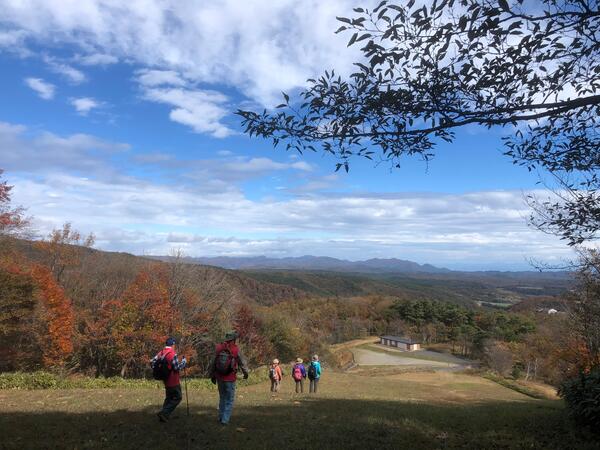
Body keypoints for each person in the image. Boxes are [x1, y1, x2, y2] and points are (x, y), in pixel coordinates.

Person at [210, 330, 249, 425]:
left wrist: (212, 375)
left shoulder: (218, 347)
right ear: (233, 339)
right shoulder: (235, 349)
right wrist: (246, 373)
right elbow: (242, 363)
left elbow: (213, 362)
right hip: (230, 378)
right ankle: (225, 420)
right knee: (229, 399)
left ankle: (220, 417)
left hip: (219, 377)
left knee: (222, 397)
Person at [151, 337, 187, 422]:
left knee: (169, 398)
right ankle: (164, 413)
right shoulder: (172, 354)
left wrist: (160, 371)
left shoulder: (161, 353)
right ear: (173, 345)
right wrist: (184, 362)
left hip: (165, 380)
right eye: (174, 344)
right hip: (173, 381)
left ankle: (163, 416)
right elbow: (176, 368)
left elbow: (152, 362)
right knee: (178, 397)